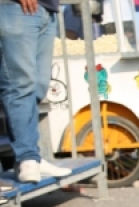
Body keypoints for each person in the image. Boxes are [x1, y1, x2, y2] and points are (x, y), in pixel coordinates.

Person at [0, 0, 72, 183]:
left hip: (47, 9)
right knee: (19, 84)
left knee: (38, 85)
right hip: (15, 8)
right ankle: (27, 157)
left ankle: (32, 157)